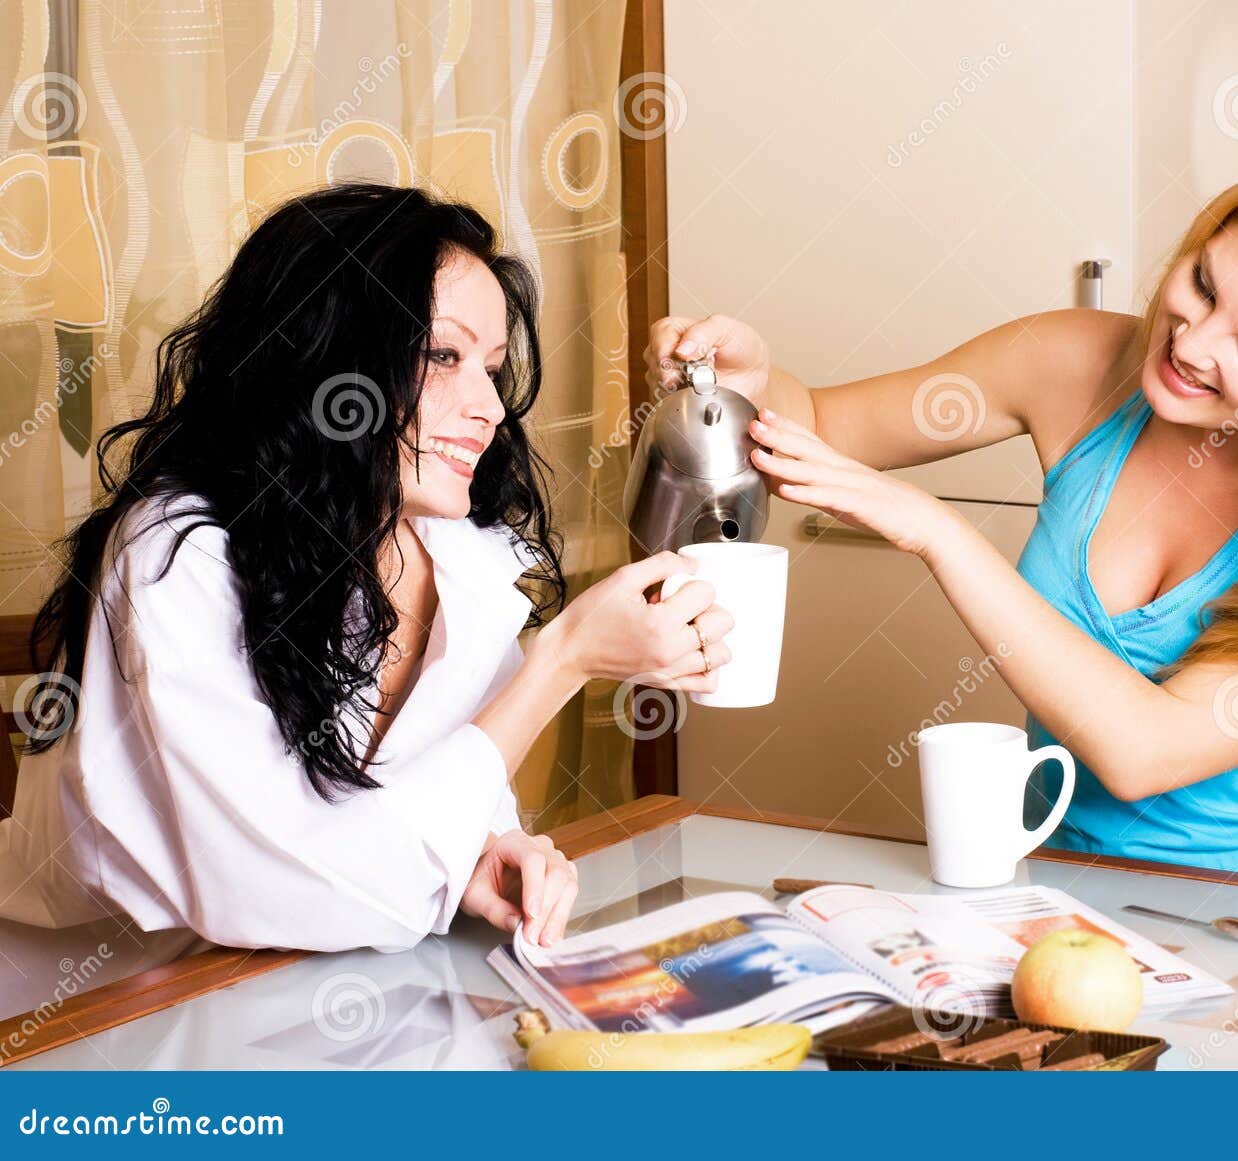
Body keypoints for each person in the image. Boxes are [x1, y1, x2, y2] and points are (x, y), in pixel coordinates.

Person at [648, 149, 1238, 890]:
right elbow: (825, 429)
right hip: (1053, 901)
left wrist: (938, 532)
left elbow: (1143, 751)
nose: (1191, 342)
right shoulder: (1076, 361)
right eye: (1203, 283)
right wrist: (748, 380)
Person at [0, 184, 731, 953]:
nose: (490, 406)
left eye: (490, 367)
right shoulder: (177, 555)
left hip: (326, 997)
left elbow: (425, 816)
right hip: (108, 1010)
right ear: (327, 362)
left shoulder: (460, 559)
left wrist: (483, 855)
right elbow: (286, 893)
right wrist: (564, 660)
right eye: (443, 355)